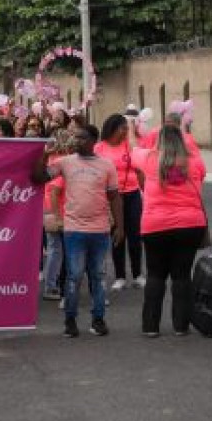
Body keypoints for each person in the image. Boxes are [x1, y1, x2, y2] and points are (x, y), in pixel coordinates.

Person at [134, 125, 207, 337]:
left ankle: (151, 326)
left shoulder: (149, 159)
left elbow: (132, 150)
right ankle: (181, 326)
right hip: (190, 224)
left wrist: (133, 127)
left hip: (155, 225)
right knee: (182, 275)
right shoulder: (194, 161)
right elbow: (201, 177)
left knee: (155, 275)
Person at [54, 123, 121, 338]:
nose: (77, 141)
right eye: (75, 137)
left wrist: (120, 226)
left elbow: (114, 197)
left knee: (99, 277)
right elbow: (39, 176)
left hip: (100, 231)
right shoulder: (65, 162)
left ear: (93, 141)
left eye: (82, 138)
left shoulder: (107, 166)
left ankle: (98, 320)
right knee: (74, 276)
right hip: (74, 230)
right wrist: (43, 154)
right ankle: (70, 320)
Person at [97, 113, 144, 290]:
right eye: (123, 128)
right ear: (113, 129)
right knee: (117, 233)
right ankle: (120, 276)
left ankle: (138, 274)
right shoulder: (99, 148)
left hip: (132, 193)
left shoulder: (129, 145)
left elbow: (139, 164)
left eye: (127, 128)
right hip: (111, 196)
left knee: (135, 234)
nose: (125, 131)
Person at [40, 143, 67, 302]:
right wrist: (58, 216)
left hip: (47, 208)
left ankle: (51, 284)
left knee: (54, 249)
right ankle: (52, 285)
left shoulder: (49, 161)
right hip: (59, 210)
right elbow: (56, 191)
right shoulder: (63, 163)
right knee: (59, 250)